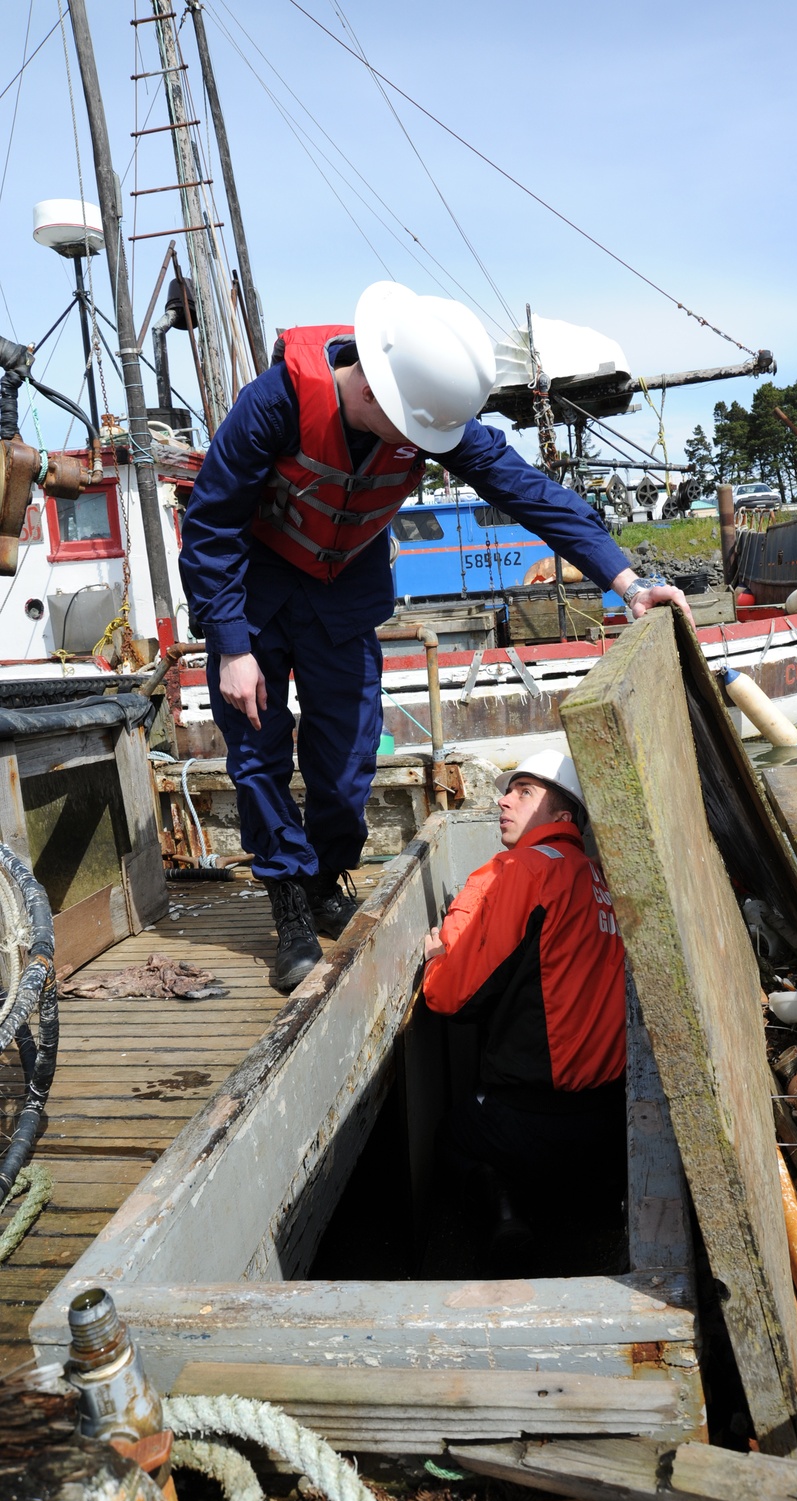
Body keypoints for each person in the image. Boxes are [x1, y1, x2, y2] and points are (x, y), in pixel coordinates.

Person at [181, 281, 691, 991]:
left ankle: (327, 868)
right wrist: (230, 643)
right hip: (256, 597)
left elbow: (527, 490)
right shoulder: (275, 404)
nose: (423, 451)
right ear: (374, 397)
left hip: (344, 594)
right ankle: (290, 903)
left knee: (347, 761)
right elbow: (209, 521)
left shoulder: (427, 408)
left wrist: (628, 582)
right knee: (258, 754)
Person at [422, 749, 626, 1269]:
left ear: (562, 817)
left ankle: (506, 1222)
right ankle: (590, 1202)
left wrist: (437, 956)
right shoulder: (602, 878)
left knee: (452, 1141)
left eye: (524, 792)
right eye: (509, 789)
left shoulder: (524, 870)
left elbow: (452, 999)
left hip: (532, 1119)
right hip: (606, 1118)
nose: (503, 798)